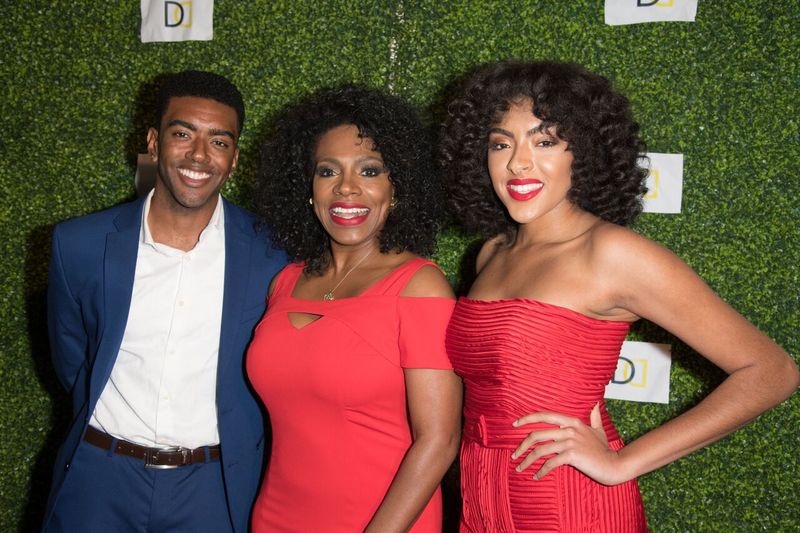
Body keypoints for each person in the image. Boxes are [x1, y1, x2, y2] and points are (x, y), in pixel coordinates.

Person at [439, 60, 799, 532]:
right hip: (480, 491)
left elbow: (771, 372)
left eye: (544, 141)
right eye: (500, 143)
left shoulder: (612, 253)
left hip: (564, 498)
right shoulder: (490, 254)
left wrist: (621, 463)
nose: (517, 162)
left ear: (583, 152)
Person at [43, 70, 287, 532]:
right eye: (182, 134)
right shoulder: (78, 244)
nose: (199, 155)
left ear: (233, 159)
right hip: (100, 478)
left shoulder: (273, 256)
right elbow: (74, 361)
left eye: (219, 141)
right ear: (154, 143)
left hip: (214, 489)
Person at [248, 85, 462, 532]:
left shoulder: (421, 287)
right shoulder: (285, 282)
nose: (346, 188)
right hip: (275, 519)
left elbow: (439, 441)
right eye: (328, 172)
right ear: (308, 189)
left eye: (369, 170)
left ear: (397, 188)